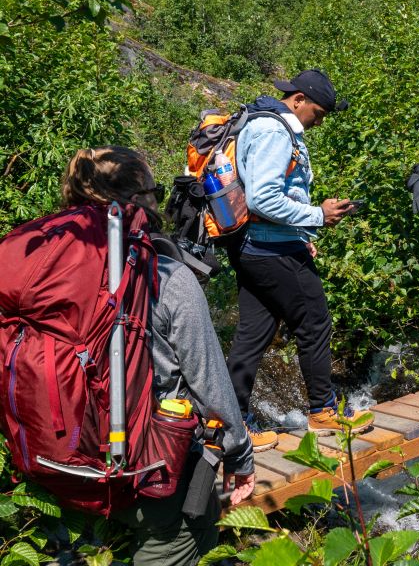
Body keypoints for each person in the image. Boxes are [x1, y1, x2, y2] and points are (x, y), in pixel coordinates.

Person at [60, 146, 255, 566]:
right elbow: (209, 383)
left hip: (66, 461)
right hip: (153, 472)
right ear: (144, 199)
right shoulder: (167, 277)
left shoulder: (51, 273)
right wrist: (240, 453)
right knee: (181, 540)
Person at [226, 68, 373, 451]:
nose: (318, 123)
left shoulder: (259, 124)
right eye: (318, 114)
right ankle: (323, 411)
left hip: (256, 246)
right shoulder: (275, 131)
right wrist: (318, 217)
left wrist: (299, 234)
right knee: (314, 322)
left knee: (251, 338)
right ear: (297, 100)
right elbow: (263, 198)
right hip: (272, 249)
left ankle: (231, 425)